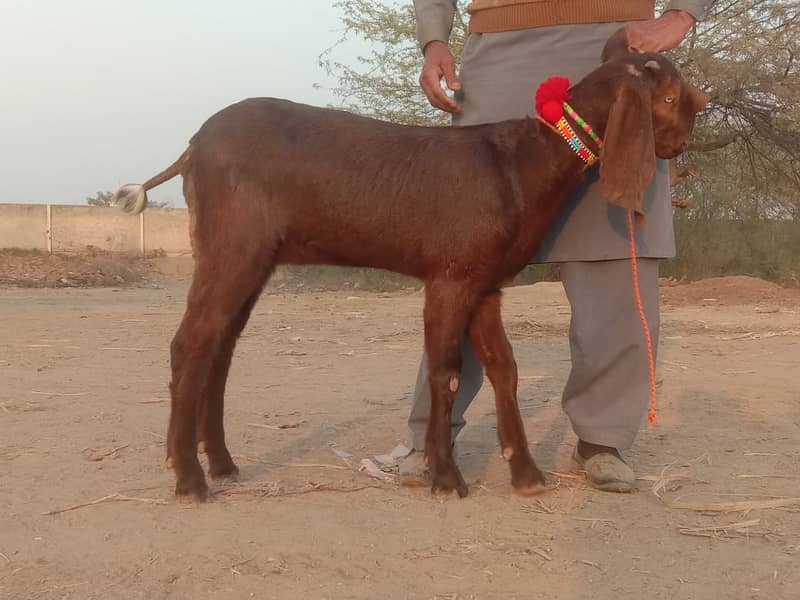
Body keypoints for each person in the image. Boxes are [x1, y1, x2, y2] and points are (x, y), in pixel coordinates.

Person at [401, 0, 713, 492]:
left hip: (614, 49)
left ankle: (602, 438)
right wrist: (434, 39)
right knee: (465, 261)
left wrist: (681, 14)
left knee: (615, 248)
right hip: (497, 55)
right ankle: (432, 434)